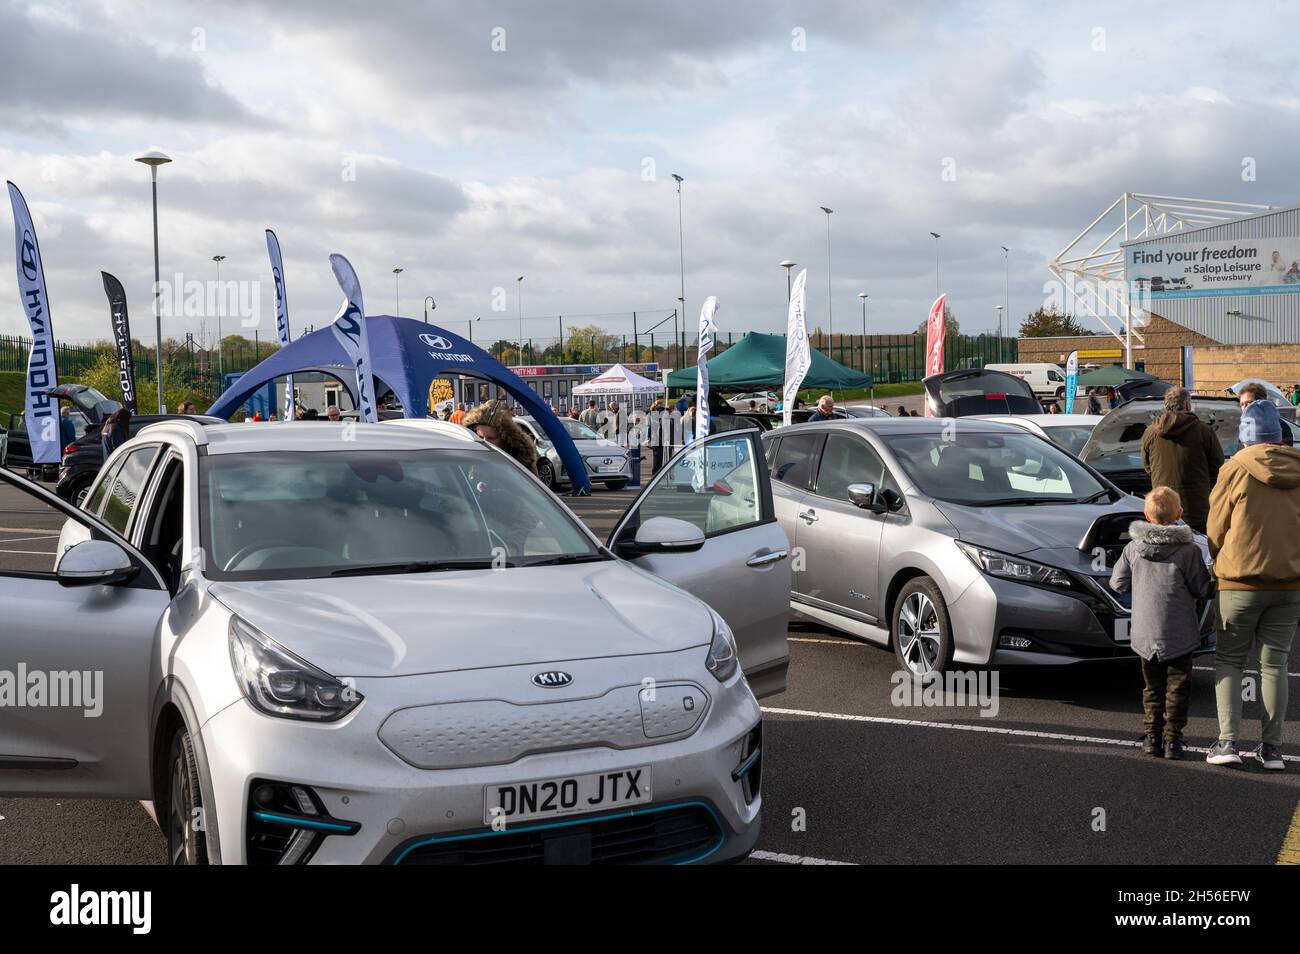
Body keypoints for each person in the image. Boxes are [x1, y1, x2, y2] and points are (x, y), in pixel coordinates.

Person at [1204, 399, 1300, 771]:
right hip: (1289, 582)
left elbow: (1216, 527)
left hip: (1239, 580)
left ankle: (1228, 741)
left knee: (1229, 660)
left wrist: (1218, 558)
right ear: (1278, 435)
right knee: (1275, 665)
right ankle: (1273, 749)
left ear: (1245, 435)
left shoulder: (1234, 469)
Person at [1110, 487, 1213, 760]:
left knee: (1151, 686)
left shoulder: (1133, 547)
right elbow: (1201, 588)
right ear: (1179, 514)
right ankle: (1173, 741)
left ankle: (1151, 736)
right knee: (1178, 687)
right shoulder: (1188, 551)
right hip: (1180, 633)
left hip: (1145, 632)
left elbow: (1117, 583)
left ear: (1146, 515)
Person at [1139, 386, 1222, 533]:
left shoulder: (1150, 432)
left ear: (1166, 406)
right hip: (1197, 509)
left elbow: (1147, 466)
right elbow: (1217, 466)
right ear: (1187, 406)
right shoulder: (1203, 430)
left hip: (1162, 510)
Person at [463, 399, 538, 473]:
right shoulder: (467, 457)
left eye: (491, 438)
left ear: (504, 438)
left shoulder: (521, 463)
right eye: (480, 437)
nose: (484, 442)